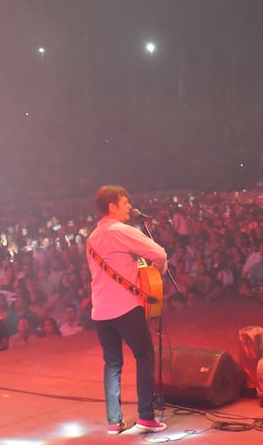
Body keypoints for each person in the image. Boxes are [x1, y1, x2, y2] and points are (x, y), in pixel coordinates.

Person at [86, 185, 168, 436]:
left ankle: (114, 421)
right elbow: (158, 253)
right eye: (125, 202)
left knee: (112, 363)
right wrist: (158, 274)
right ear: (112, 206)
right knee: (144, 356)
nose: (128, 207)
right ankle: (146, 416)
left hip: (100, 311)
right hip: (125, 307)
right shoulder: (121, 231)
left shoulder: (91, 238)